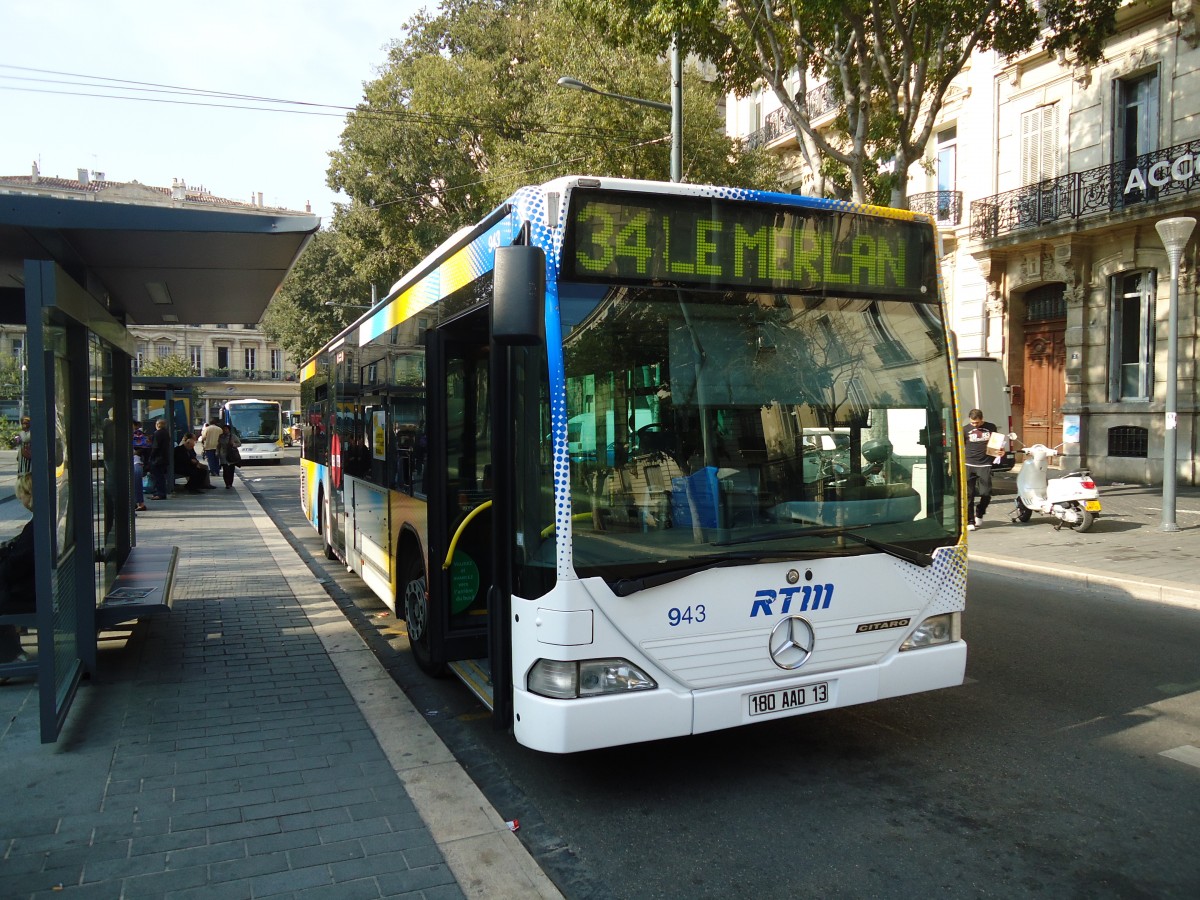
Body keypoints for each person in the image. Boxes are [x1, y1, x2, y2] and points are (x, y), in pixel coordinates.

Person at [0, 475, 36, 665]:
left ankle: (8, 657)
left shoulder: (35, 528)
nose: (19, 499)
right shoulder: (40, 523)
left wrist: (5, 557)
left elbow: (15, 567)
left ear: (29, 495)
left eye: (21, 495)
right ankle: (12, 651)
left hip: (30, 595)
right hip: (33, 589)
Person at [962, 408, 1002, 530]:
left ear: (982, 419)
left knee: (986, 492)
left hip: (985, 464)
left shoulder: (991, 427)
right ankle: (970, 521)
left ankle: (980, 511)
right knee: (969, 494)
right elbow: (961, 445)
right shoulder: (965, 429)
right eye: (973, 423)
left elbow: (997, 443)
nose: (975, 425)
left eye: (977, 423)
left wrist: (1000, 452)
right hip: (969, 464)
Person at [147, 418, 172, 500]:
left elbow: (155, 447)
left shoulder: (157, 433)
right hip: (164, 458)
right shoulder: (166, 433)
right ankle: (159, 493)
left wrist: (151, 457)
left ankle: (159, 493)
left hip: (157, 459)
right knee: (161, 477)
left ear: (157, 425)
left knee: (157, 477)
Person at [217, 422, 241, 489]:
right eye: (224, 429)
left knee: (231, 470)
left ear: (229, 430)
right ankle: (227, 483)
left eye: (226, 429)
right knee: (225, 470)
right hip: (223, 455)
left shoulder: (233, 436)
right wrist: (217, 452)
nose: (225, 430)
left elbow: (239, 443)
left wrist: (233, 444)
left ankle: (230, 483)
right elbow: (219, 445)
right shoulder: (221, 436)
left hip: (231, 455)